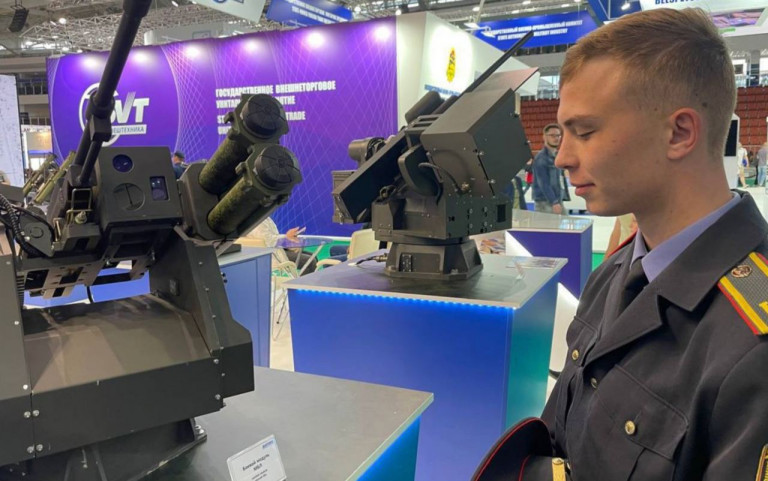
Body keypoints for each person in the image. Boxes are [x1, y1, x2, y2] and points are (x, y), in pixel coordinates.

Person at [475, 8, 768, 481]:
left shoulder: (752, 349)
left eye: (585, 132)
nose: (563, 158)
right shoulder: (616, 271)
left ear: (679, 133)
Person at [244, 217, 317, 274]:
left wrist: (288, 240)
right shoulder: (256, 220)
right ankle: (298, 287)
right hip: (271, 255)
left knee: (312, 256)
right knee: (310, 262)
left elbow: (273, 238)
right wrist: (287, 238)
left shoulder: (263, 217)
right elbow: (268, 241)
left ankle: (300, 285)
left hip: (275, 249)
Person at [532, 124, 564, 214]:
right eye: (552, 135)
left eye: (558, 135)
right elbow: (543, 183)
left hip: (557, 200)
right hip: (545, 202)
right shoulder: (541, 158)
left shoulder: (557, 156)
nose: (556, 138)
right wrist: (554, 202)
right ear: (545, 137)